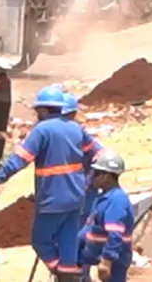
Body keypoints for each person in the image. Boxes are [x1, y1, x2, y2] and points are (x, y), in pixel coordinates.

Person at [0, 85, 98, 282]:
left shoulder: (42, 131)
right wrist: (88, 179)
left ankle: (63, 276)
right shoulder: (75, 128)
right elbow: (96, 153)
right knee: (67, 243)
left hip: (52, 198)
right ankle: (70, 274)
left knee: (41, 241)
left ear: (44, 110)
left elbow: (20, 159)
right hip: (76, 197)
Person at [78, 151, 134, 282]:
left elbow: (115, 234)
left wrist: (106, 261)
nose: (92, 177)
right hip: (97, 254)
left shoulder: (116, 200)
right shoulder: (103, 198)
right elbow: (90, 227)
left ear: (107, 176)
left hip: (115, 260)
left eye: (96, 174)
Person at [61, 93, 104, 226]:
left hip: (85, 191)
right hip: (66, 191)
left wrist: (89, 180)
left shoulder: (78, 133)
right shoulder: (54, 135)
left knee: (84, 224)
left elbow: (100, 155)